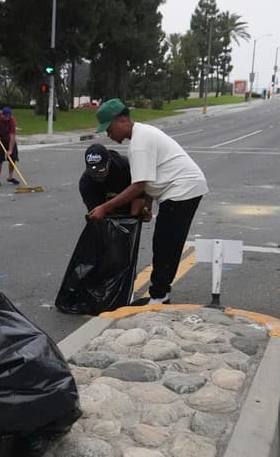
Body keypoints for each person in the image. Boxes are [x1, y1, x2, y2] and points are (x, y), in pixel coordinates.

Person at [88, 99, 208, 305]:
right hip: (181, 188)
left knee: (166, 244)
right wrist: (147, 206)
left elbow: (139, 185)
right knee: (165, 242)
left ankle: (160, 297)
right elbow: (152, 177)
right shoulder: (142, 135)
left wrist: (104, 207)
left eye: (108, 128)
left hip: (182, 190)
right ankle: (160, 294)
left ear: (122, 120)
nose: (108, 135)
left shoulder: (139, 145)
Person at [79, 143, 146, 217]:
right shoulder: (85, 182)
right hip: (103, 203)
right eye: (93, 172)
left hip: (128, 198)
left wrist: (135, 217)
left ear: (108, 163)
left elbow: (140, 192)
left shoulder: (125, 167)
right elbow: (95, 212)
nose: (97, 175)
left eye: (101, 170)